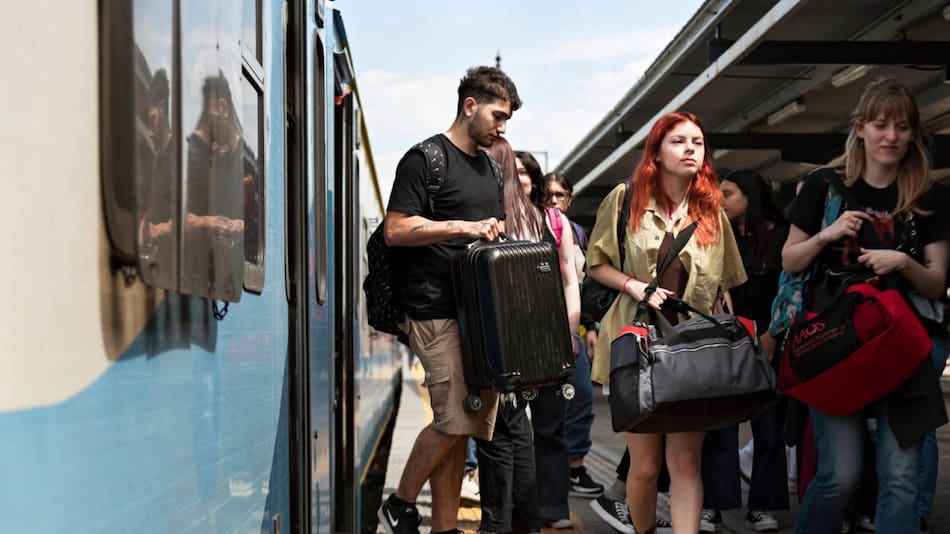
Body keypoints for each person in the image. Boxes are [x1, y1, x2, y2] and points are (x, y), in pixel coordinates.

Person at [782, 77, 949, 534]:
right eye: (880, 125)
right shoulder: (823, 185)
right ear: (860, 128)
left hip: (906, 347)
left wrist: (902, 262)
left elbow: (935, 284)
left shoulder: (929, 198)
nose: (890, 136)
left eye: (901, 127)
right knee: (840, 475)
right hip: (837, 344)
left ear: (914, 133)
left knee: (900, 478)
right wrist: (828, 234)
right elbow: (791, 259)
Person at [377, 66, 521, 534]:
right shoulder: (425, 159)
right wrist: (465, 227)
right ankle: (399, 502)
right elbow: (397, 229)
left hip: (478, 315)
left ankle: (444, 528)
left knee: (465, 424)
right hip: (431, 307)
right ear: (470, 106)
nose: (503, 128)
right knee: (456, 416)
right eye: (498, 115)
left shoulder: (492, 170)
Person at [587, 111, 747, 534]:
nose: (691, 148)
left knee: (686, 463)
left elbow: (725, 286)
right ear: (656, 151)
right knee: (643, 467)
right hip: (636, 347)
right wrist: (634, 286)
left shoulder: (713, 211)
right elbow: (597, 264)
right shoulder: (624, 200)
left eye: (697, 141)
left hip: (689, 351)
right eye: (678, 141)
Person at [473, 137, 580, 534]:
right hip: (534, 338)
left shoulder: (529, 219)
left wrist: (570, 330)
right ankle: (529, 521)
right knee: (519, 428)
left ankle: (506, 523)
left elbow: (570, 279)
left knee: (507, 432)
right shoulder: (525, 220)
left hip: (516, 339)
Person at [699, 169, 790, 533]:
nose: (721, 199)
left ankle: (762, 506)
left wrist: (771, 336)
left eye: (729, 192)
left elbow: (789, 291)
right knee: (719, 428)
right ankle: (713, 505)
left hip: (769, 343)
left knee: (768, 430)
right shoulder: (715, 236)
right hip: (726, 343)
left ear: (750, 196)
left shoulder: (781, 237)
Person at [541, 169, 606, 499]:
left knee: (581, 397)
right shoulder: (533, 226)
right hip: (536, 328)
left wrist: (590, 327)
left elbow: (582, 284)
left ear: (569, 199)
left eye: (559, 195)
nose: (552, 200)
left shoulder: (578, 233)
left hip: (572, 329)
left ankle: (575, 468)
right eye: (547, 194)